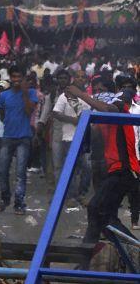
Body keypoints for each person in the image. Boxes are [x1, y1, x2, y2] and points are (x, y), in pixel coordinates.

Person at [64, 85, 139, 243]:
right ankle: (130, 251)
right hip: (116, 171)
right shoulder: (107, 121)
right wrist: (74, 101)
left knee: (95, 208)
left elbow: (106, 108)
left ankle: (88, 249)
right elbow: (94, 133)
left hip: (124, 171)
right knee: (107, 218)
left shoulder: (119, 110)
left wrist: (80, 94)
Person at [0, 65, 38, 214]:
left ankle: (19, 203)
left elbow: (29, 111)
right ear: (10, 77)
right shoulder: (4, 95)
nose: (16, 80)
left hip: (24, 137)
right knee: (2, 170)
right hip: (7, 136)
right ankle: (5, 198)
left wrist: (25, 93)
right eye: (14, 77)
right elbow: (1, 114)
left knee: (20, 172)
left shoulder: (32, 93)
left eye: (19, 77)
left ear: (23, 78)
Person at [52, 70, 91, 203]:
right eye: (78, 77)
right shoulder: (65, 96)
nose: (80, 79)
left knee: (87, 167)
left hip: (85, 138)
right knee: (72, 168)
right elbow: (56, 113)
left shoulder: (87, 97)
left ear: (86, 80)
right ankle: (72, 196)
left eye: (83, 77)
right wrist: (72, 120)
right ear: (74, 79)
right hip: (69, 138)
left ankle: (82, 193)